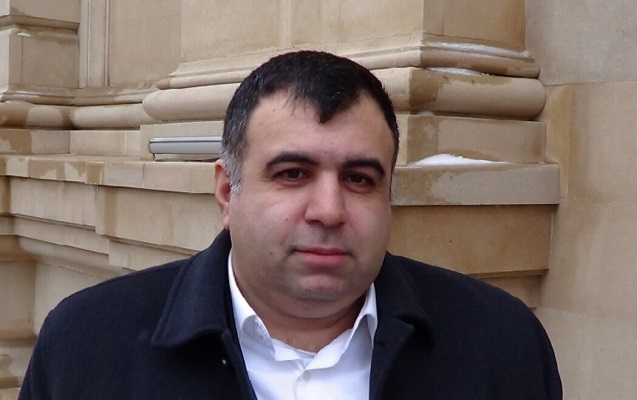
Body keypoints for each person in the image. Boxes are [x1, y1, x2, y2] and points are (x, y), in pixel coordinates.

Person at [19, 51, 562, 400]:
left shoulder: (499, 345)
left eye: (359, 179)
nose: (328, 210)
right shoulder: (89, 347)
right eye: (293, 174)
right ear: (227, 192)